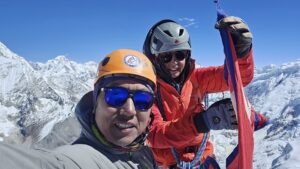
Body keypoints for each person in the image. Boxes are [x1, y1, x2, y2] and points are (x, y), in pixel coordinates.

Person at [0, 49, 159, 169]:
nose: (129, 110)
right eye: (115, 96)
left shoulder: (143, 154)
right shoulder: (74, 160)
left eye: (142, 99)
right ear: (95, 101)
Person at [143, 17, 267, 168]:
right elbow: (154, 134)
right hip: (169, 163)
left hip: (203, 158)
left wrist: (241, 52)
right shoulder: (148, 89)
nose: (174, 62)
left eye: (180, 54)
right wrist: (201, 122)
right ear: (154, 58)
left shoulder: (197, 77)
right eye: (166, 56)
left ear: (187, 55)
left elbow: (238, 78)